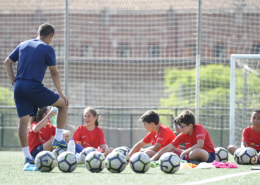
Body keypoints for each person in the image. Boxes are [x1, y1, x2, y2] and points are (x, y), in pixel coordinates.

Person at [4, 23, 69, 167]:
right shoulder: (48, 48)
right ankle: (58, 138)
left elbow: (7, 63)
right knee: (63, 104)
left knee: (23, 122)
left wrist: (14, 81)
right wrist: (61, 93)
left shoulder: (23, 44)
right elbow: (54, 73)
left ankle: (27, 158)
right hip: (33, 86)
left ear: (37, 33)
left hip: (19, 86)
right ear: (50, 36)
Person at [150, 110, 215, 164]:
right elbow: (167, 147)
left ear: (190, 125)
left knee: (195, 152)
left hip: (209, 155)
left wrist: (184, 152)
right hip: (189, 154)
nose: (180, 129)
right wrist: (152, 159)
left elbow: (200, 145)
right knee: (170, 150)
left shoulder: (199, 128)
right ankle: (189, 161)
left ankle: (191, 160)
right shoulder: (183, 134)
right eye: (179, 126)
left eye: (182, 126)